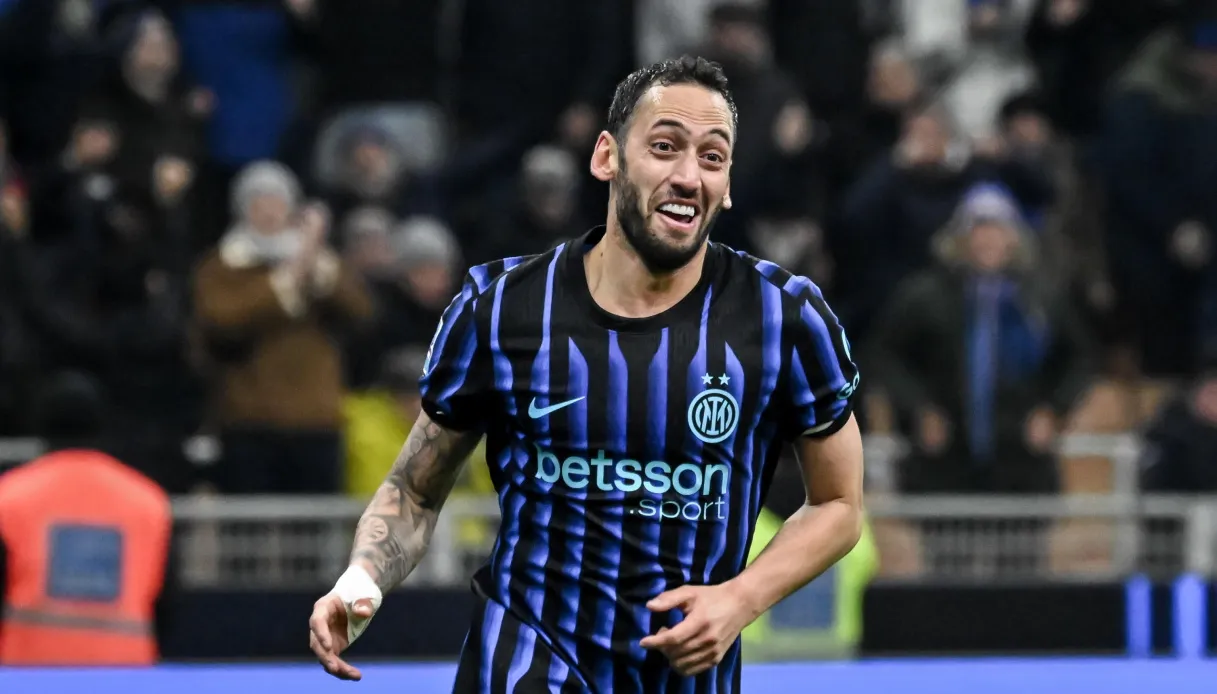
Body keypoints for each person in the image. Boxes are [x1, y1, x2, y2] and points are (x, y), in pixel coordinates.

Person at [308, 55, 864, 693]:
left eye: (712, 158)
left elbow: (839, 504)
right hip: (524, 664)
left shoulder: (785, 318)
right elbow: (414, 490)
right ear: (607, 157)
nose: (689, 176)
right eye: (664, 147)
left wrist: (741, 598)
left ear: (728, 183)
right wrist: (360, 579)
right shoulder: (501, 309)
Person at [0, 372, 176, 665]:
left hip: (26, 672)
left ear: (39, 425)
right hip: (124, 671)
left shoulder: (9, 496)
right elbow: (167, 604)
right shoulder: (148, 501)